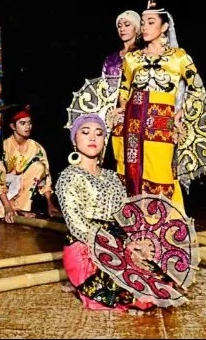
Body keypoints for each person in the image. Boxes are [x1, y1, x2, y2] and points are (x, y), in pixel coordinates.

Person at [56, 113, 182, 312]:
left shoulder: (113, 177)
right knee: (124, 290)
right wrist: (112, 246)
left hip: (116, 240)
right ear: (74, 139)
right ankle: (80, 285)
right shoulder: (68, 176)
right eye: (85, 132)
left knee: (157, 277)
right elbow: (76, 224)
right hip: (85, 246)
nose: (92, 138)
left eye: (99, 133)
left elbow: (124, 218)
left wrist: (135, 243)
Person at [112, 6, 205, 211]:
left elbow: (198, 88)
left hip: (162, 122)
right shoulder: (132, 58)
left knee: (159, 172)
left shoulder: (179, 57)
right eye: (143, 23)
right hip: (133, 122)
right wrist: (121, 106)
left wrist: (182, 112)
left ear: (164, 27)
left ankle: (162, 222)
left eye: (151, 22)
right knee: (131, 169)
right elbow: (125, 88)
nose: (145, 27)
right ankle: (133, 219)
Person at [0, 105, 60, 222]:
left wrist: (50, 204)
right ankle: (14, 208)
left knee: (39, 166)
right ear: (13, 126)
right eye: (22, 123)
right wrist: (7, 206)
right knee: (0, 211)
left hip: (25, 194)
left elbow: (45, 177)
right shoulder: (2, 147)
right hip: (7, 194)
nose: (28, 127)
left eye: (29, 123)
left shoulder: (36, 147)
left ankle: (23, 209)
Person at [100, 9, 141, 91]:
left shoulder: (141, 55)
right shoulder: (111, 58)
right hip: (111, 100)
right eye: (119, 26)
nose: (122, 29)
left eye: (127, 25)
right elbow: (103, 83)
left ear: (136, 29)